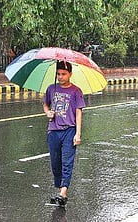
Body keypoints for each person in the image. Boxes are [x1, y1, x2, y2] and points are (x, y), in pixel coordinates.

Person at [43, 61, 86, 206]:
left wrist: (78, 133)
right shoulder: (51, 89)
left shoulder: (76, 91)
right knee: (56, 162)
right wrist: (48, 112)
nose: (60, 77)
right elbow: (46, 104)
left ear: (70, 74)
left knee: (67, 162)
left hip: (69, 130)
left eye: (64, 74)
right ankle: (60, 189)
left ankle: (63, 192)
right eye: (58, 74)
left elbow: (78, 112)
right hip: (53, 131)